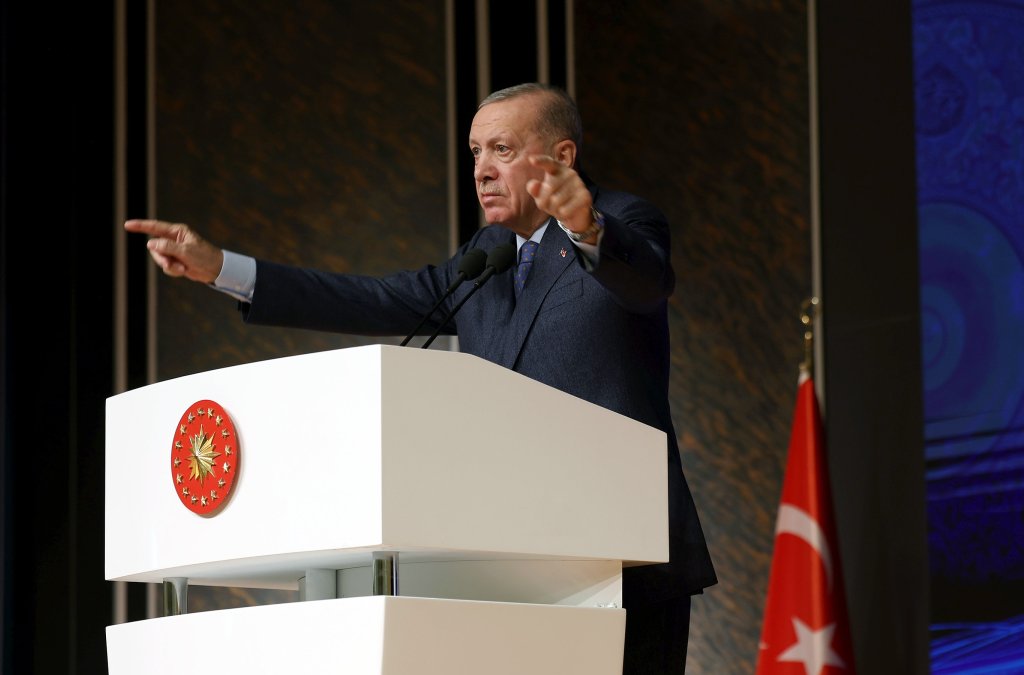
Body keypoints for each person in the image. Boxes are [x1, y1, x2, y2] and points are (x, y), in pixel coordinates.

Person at [125, 82, 717, 674]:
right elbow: (373, 299)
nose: (482, 170)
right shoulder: (486, 257)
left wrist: (587, 226)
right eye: (475, 152)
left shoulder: (624, 222)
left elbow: (645, 283)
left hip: (627, 555)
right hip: (507, 557)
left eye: (502, 150)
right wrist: (223, 269)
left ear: (562, 158)